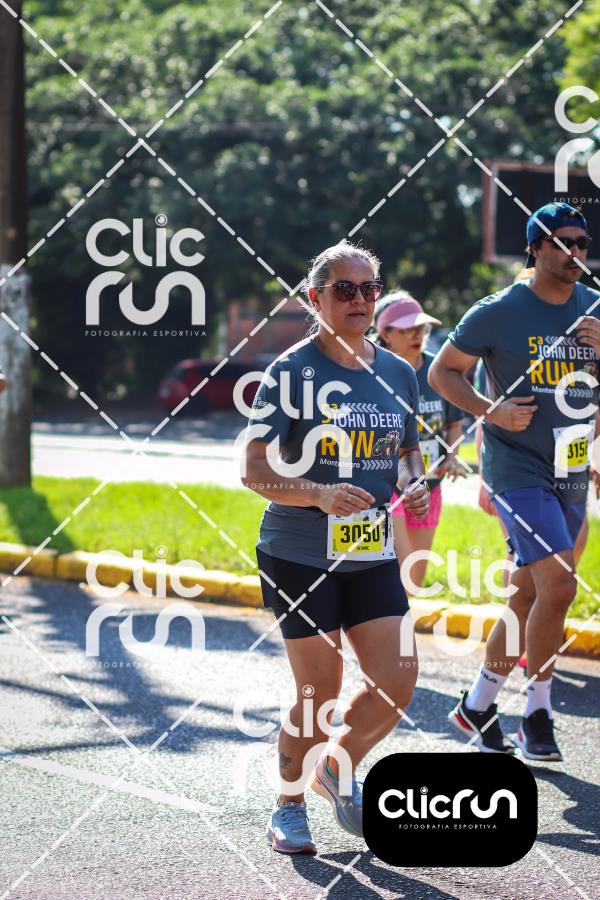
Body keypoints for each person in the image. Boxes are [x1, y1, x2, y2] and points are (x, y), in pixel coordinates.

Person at [242, 240, 429, 854]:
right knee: (318, 693)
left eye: (369, 288)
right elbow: (252, 469)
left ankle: (335, 768)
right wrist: (318, 494)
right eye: (344, 289)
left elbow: (406, 451)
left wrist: (416, 484)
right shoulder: (290, 372)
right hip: (299, 553)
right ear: (314, 298)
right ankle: (288, 803)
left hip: (370, 551)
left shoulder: (398, 373)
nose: (359, 300)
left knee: (398, 682)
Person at [429, 202, 600, 761]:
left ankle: (477, 704)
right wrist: (491, 411)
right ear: (535, 248)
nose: (576, 252)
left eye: (582, 242)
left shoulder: (594, 307)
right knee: (560, 587)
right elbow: (442, 371)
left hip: (570, 467)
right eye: (563, 242)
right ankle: (538, 713)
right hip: (515, 467)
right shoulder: (499, 310)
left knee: (528, 591)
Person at [373, 292, 464, 590]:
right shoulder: (374, 372)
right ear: (385, 333)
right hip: (389, 485)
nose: (417, 335)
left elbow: (453, 423)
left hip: (429, 485)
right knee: (401, 568)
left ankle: (390, 619)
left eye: (421, 328)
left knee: (414, 580)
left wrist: (452, 457)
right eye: (406, 329)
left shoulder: (438, 371)